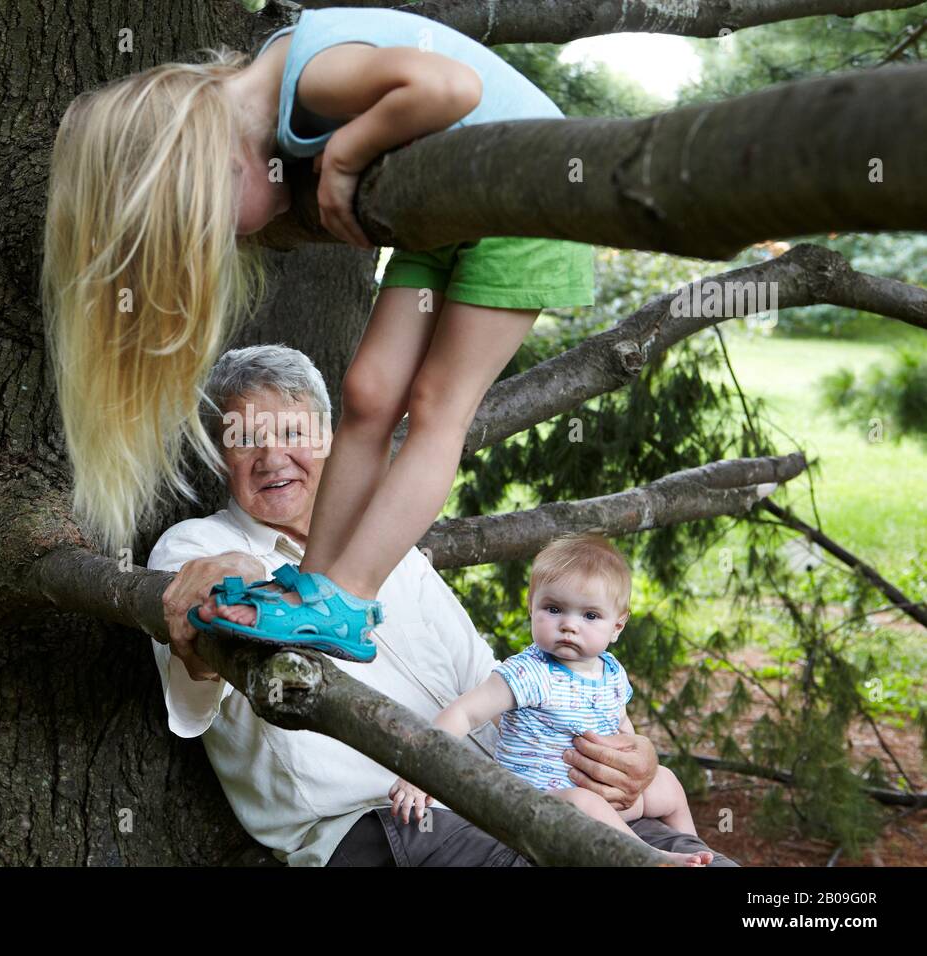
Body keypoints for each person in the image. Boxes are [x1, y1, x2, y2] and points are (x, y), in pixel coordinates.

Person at [41, 9, 594, 658]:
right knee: (366, 392)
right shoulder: (279, 92)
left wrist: (346, 159)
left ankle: (348, 602)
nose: (236, 241)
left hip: (524, 195)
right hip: (452, 212)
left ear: (218, 167)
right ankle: (316, 590)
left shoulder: (311, 75)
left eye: (213, 229)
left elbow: (450, 90)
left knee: (439, 407)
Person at [149, 344, 736, 866]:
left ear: (330, 436)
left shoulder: (384, 537)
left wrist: (624, 750)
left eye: (293, 432)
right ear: (219, 456)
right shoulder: (197, 550)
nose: (273, 458)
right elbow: (196, 687)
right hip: (379, 824)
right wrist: (235, 586)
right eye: (246, 440)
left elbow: (490, 680)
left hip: (501, 786)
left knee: (696, 858)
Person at [389, 533, 716, 865]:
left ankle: (695, 850)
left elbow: (621, 728)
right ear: (532, 606)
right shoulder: (528, 673)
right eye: (554, 609)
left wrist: (629, 767)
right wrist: (421, 769)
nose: (569, 626)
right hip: (536, 805)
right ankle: (648, 858)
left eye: (590, 615)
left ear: (617, 625)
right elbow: (463, 713)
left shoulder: (612, 673)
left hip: (603, 796)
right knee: (581, 803)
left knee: (667, 782)